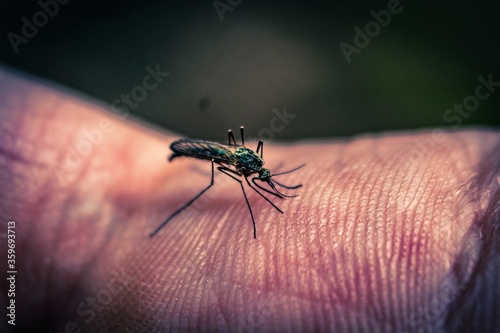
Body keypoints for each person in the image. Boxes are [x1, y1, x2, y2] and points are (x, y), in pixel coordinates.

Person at [0, 67, 498, 332]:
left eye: (262, 173)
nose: (260, 176)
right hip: (203, 154)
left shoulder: (253, 161)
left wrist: (277, 183)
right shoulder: (241, 166)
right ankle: (185, 191)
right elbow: (244, 174)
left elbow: (256, 170)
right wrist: (257, 200)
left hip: (221, 153)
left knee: (243, 165)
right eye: (261, 173)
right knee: (215, 180)